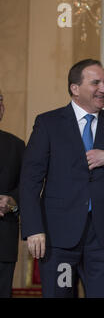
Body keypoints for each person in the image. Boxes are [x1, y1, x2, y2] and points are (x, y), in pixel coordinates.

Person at [19, 59, 104, 298]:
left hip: (102, 240)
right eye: (96, 82)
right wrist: (33, 228)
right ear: (75, 88)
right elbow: (30, 181)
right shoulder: (48, 124)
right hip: (59, 240)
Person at [0, 89, 25, 297]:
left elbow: (27, 187)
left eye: (0, 101)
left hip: (3, 242)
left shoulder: (16, 146)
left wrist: (13, 202)